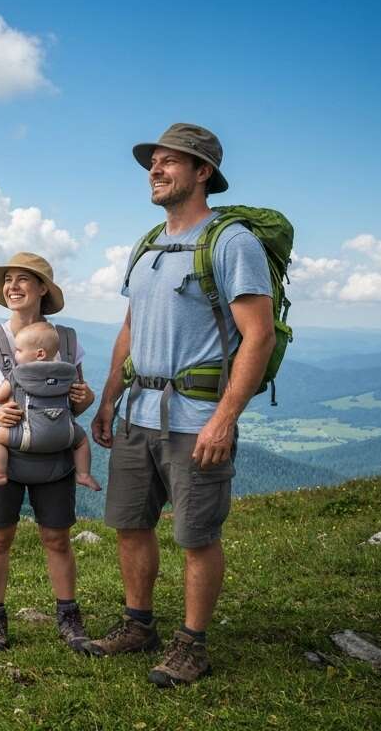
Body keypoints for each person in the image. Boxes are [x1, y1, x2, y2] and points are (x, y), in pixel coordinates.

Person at [88, 123, 276, 687]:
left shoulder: (231, 241)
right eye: (154, 162)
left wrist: (225, 418)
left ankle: (192, 645)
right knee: (128, 524)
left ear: (203, 174)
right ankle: (137, 624)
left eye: (172, 161)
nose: (156, 169)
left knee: (196, 535)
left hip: (196, 420)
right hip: (137, 415)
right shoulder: (146, 245)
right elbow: (131, 326)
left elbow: (258, 335)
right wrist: (107, 399)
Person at [0, 252, 100, 654]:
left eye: (24, 279)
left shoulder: (67, 341)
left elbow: (71, 406)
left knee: (57, 538)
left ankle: (68, 615)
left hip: (53, 455)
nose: (13, 287)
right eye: (8, 280)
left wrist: (85, 397)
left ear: (43, 290)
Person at [0, 322, 96, 495]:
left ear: (39, 354)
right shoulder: (68, 373)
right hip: (64, 435)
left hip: (28, 435)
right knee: (82, 440)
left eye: (18, 350)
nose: (15, 354)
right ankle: (84, 474)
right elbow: (77, 394)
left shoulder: (18, 374)